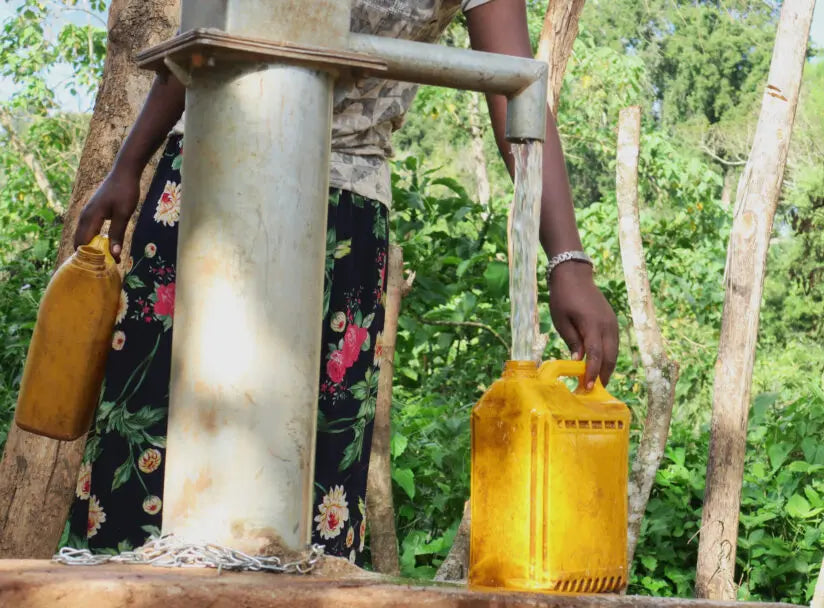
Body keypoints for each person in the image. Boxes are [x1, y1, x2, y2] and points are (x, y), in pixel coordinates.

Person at [64, 0, 618, 565]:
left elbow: (513, 83)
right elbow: (210, 31)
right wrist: (126, 165)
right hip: (215, 173)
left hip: (345, 207)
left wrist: (568, 259)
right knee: (155, 436)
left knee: (311, 474)